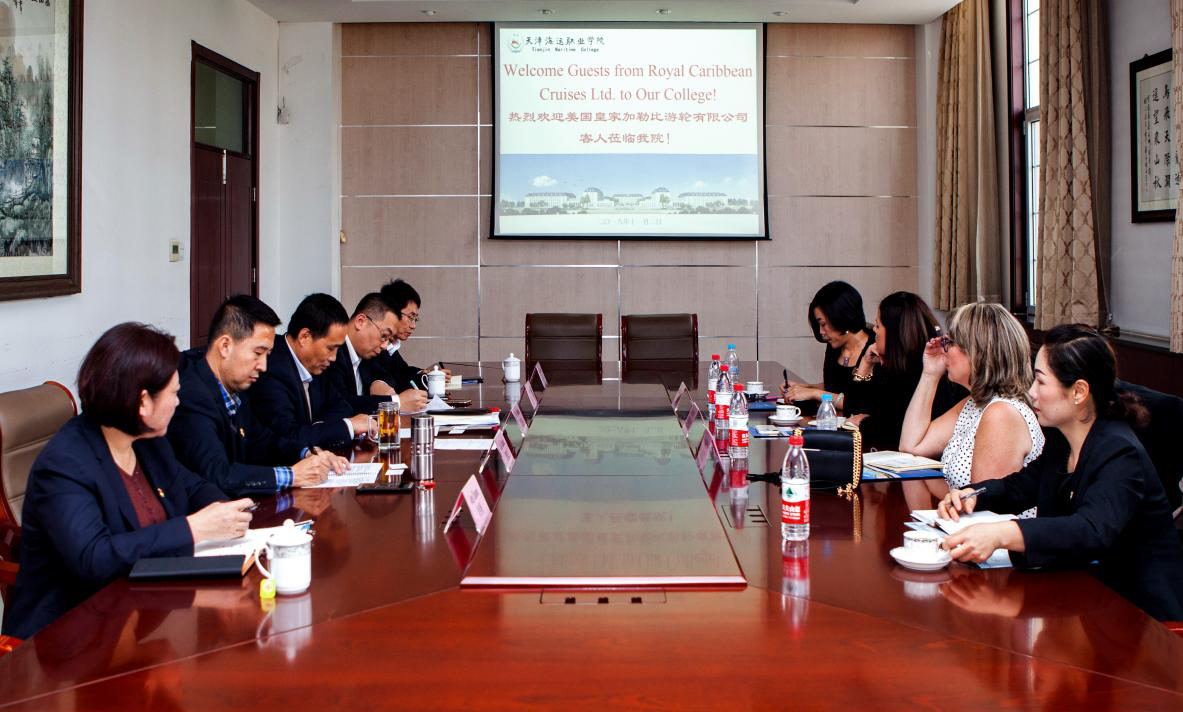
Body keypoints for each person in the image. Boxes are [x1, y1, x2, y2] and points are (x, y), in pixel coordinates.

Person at [1, 323, 254, 640]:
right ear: (143, 402)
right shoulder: (65, 464)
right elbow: (94, 558)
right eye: (174, 394)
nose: (178, 402)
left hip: (139, 615)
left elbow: (191, 485)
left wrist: (224, 511)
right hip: (66, 638)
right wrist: (194, 528)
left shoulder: (146, 439)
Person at [938, 324, 1183, 621]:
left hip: (1141, 618)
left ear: (1078, 391)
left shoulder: (1120, 452)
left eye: (1041, 382)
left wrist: (1004, 533)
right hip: (1081, 600)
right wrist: (975, 495)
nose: (1031, 393)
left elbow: (1090, 529)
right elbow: (1021, 486)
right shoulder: (1062, 438)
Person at [169, 295, 349, 497]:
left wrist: (307, 452)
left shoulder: (236, 389)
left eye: (267, 355)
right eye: (257, 353)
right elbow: (219, 475)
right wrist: (292, 475)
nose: (263, 366)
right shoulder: (192, 396)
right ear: (225, 346)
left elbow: (262, 440)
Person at [898, 302, 1044, 513]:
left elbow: (985, 508)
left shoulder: (1002, 413)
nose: (943, 350)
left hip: (991, 531)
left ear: (977, 351)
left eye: (949, 342)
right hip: (967, 523)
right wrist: (930, 374)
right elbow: (911, 446)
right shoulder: (974, 404)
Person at [251, 293, 371, 447]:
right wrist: (347, 426)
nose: (334, 358)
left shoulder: (316, 365)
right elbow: (288, 436)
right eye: (330, 348)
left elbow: (342, 406)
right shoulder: (271, 368)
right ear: (304, 337)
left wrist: (317, 428)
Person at [846, 292, 962, 450]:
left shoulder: (926, 370)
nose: (874, 330)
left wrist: (866, 423)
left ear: (894, 332)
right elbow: (853, 411)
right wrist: (865, 365)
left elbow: (892, 431)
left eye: (878, 325)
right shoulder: (888, 363)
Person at [781, 280, 873, 415]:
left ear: (841, 318)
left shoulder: (874, 349)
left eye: (823, 324)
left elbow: (859, 402)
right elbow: (836, 387)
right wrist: (802, 388)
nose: (821, 332)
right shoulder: (835, 345)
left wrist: (815, 393)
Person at [326, 292, 427, 414]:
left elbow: (390, 376)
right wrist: (396, 403)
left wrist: (379, 382)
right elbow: (341, 403)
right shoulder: (333, 353)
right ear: (361, 321)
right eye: (384, 336)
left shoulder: (366, 354)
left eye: (388, 339)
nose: (385, 346)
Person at [373, 278, 449, 392]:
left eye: (416, 319)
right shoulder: (374, 347)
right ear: (391, 312)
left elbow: (402, 371)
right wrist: (427, 379)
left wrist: (427, 373)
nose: (413, 326)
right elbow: (394, 383)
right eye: (410, 317)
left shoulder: (391, 345)